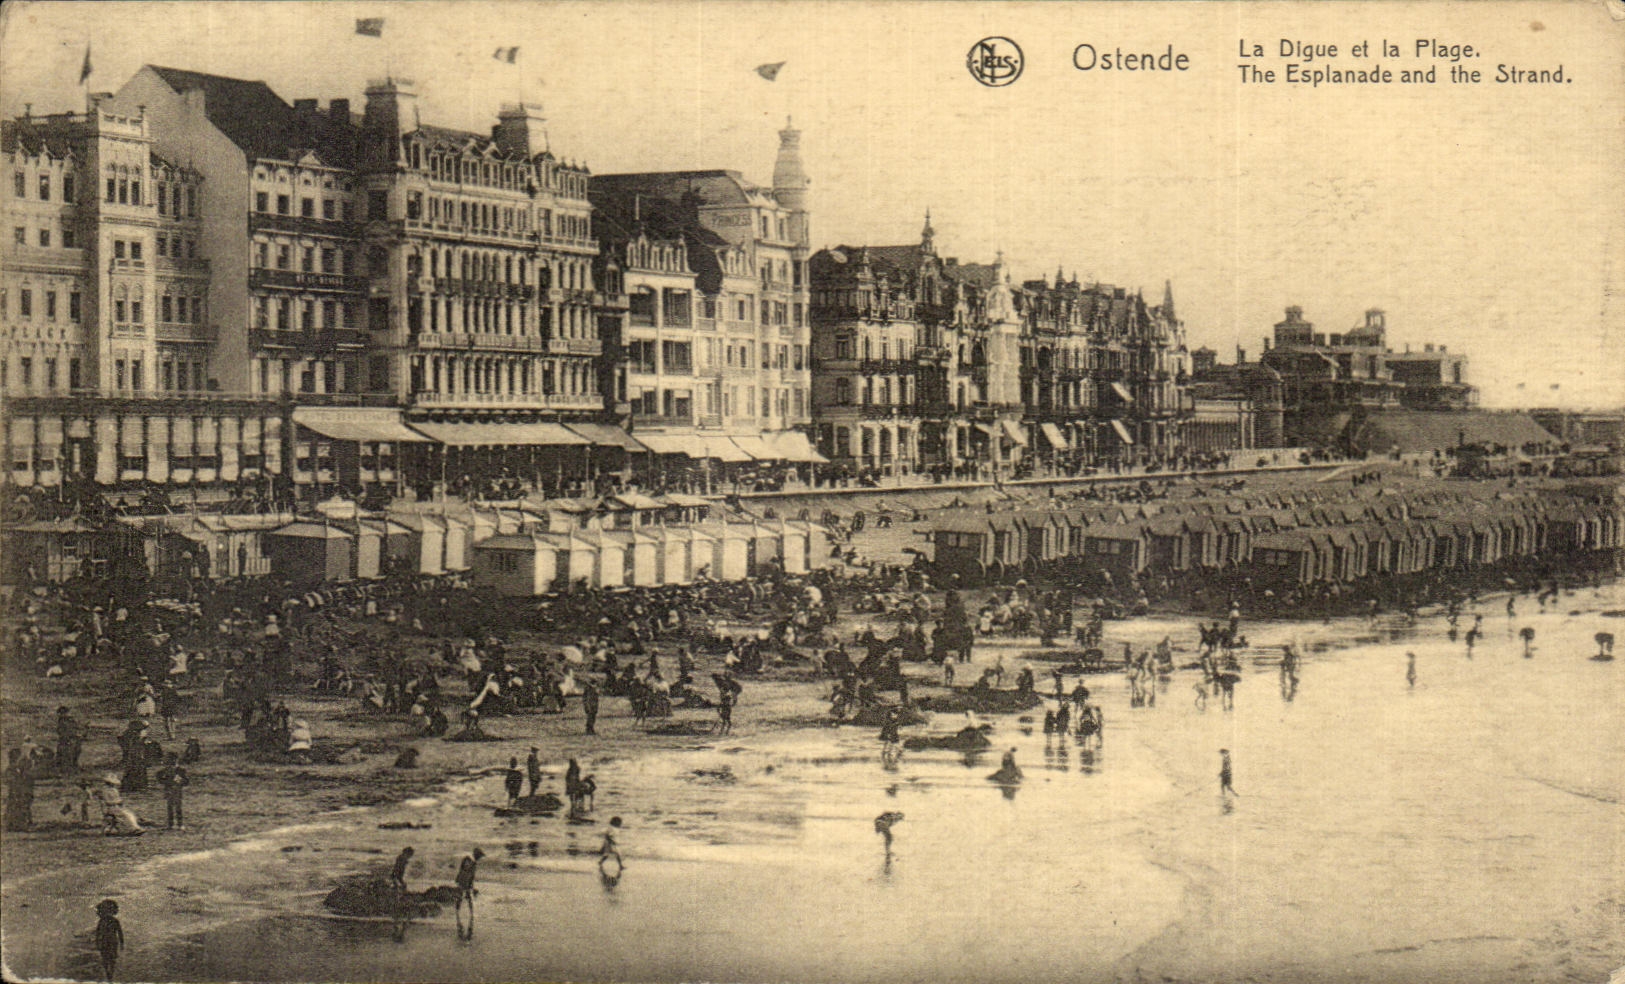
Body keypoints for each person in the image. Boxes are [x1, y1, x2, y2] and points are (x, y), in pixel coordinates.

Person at [454, 847, 484, 939]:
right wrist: (469, 885)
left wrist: (471, 885)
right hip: (463, 881)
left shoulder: (471, 861)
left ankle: (466, 912)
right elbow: (465, 872)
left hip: (465, 881)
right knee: (463, 895)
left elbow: (470, 875)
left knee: (466, 896)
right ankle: (461, 913)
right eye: (479, 856)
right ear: (476, 855)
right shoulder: (469, 861)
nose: (480, 858)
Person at [154, 752, 188, 831]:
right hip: (169, 790)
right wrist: (166, 781)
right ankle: (171, 824)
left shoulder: (181, 770)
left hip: (177, 790)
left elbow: (186, 781)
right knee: (169, 807)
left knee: (178, 807)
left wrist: (180, 781)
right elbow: (159, 778)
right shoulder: (164, 771)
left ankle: (180, 824)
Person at [94, 899, 124, 982]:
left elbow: (119, 932)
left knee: (109, 959)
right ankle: (109, 976)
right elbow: (98, 933)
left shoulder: (105, 921)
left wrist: (122, 943)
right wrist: (122, 943)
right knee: (108, 959)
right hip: (109, 942)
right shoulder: (107, 921)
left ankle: (109, 976)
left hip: (109, 942)